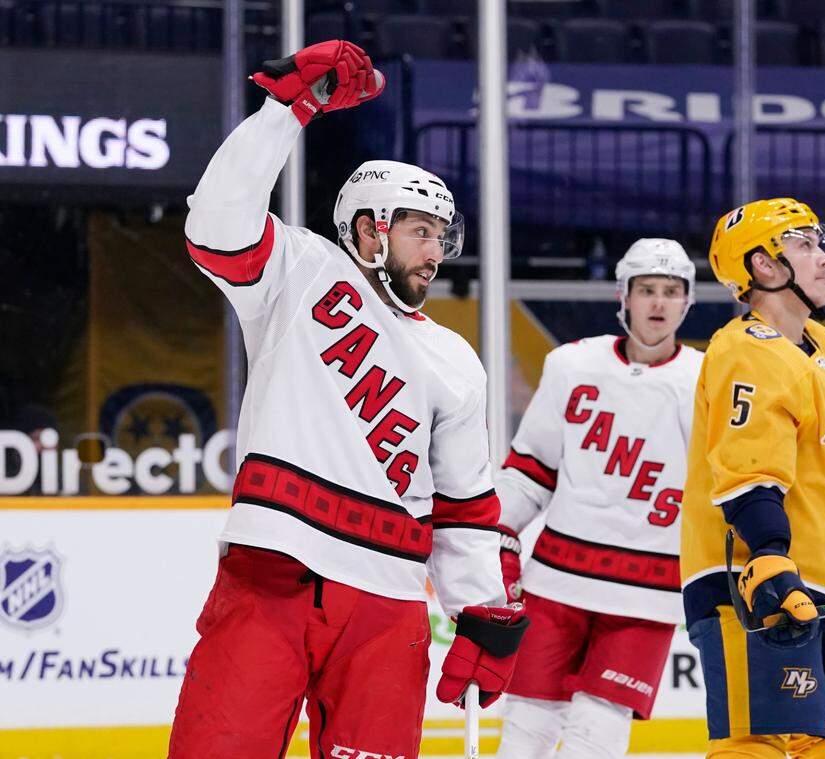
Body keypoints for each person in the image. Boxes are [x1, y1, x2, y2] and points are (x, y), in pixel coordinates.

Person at [168, 41, 528, 759]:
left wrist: (482, 607)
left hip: (389, 605)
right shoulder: (298, 270)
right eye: (420, 231)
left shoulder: (455, 359)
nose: (435, 252)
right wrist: (285, 110)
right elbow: (214, 224)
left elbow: (463, 501)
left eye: (442, 237)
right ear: (369, 228)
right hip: (275, 571)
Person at [680, 198, 825, 758]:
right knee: (756, 741)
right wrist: (768, 555)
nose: (823, 259)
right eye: (804, 246)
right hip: (751, 578)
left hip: (818, 579)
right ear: (764, 265)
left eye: (819, 243)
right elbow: (748, 475)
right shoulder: (743, 351)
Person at [493, 239, 703, 759]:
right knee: (525, 726)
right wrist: (495, 531)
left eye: (671, 292)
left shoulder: (705, 380)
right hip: (557, 577)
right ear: (623, 296)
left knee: (597, 732)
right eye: (647, 290)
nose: (658, 303)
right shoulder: (571, 365)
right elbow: (532, 467)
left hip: (647, 592)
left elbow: (719, 489)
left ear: (688, 301)